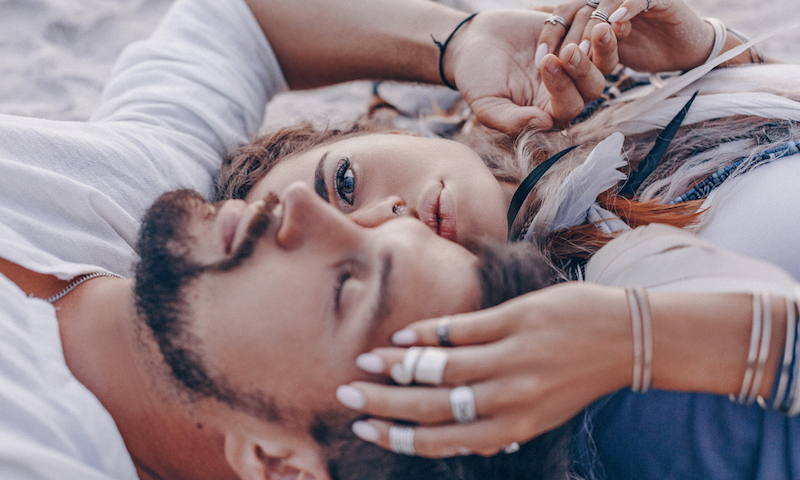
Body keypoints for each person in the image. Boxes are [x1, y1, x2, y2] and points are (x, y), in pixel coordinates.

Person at [0, 0, 617, 478]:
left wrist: (652, 339)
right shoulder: (160, 202)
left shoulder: (38, 444)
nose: (292, 208)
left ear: (277, 465)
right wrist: (457, 39)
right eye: (341, 184)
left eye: (345, 286)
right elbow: (238, 21)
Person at [211, 0, 800, 478]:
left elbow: (243, 15)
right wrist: (639, 339)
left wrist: (712, 53)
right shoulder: (614, 364)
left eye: (343, 182)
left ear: (373, 132)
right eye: (342, 281)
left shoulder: (558, 108)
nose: (386, 220)